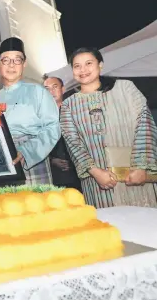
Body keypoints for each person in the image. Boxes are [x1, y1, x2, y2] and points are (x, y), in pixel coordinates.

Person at [60, 47, 157, 208]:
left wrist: (141, 167)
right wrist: (95, 172)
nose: (83, 70)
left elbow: (145, 126)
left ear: (101, 65)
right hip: (98, 182)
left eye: (89, 63)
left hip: (135, 176)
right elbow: (72, 142)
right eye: (77, 66)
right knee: (108, 226)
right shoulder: (68, 105)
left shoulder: (125, 88)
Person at [0, 37, 60, 184]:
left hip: (32, 158)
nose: (11, 65)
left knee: (35, 205)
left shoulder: (38, 92)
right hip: (1, 159)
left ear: (24, 64)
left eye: (17, 60)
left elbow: (53, 127)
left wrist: (26, 151)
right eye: (6, 60)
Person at [43, 76, 81, 191]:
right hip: (55, 174)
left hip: (79, 169)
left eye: (55, 87)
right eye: (47, 89)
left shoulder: (75, 111)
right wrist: (52, 160)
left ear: (63, 89)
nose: (51, 91)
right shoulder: (40, 118)